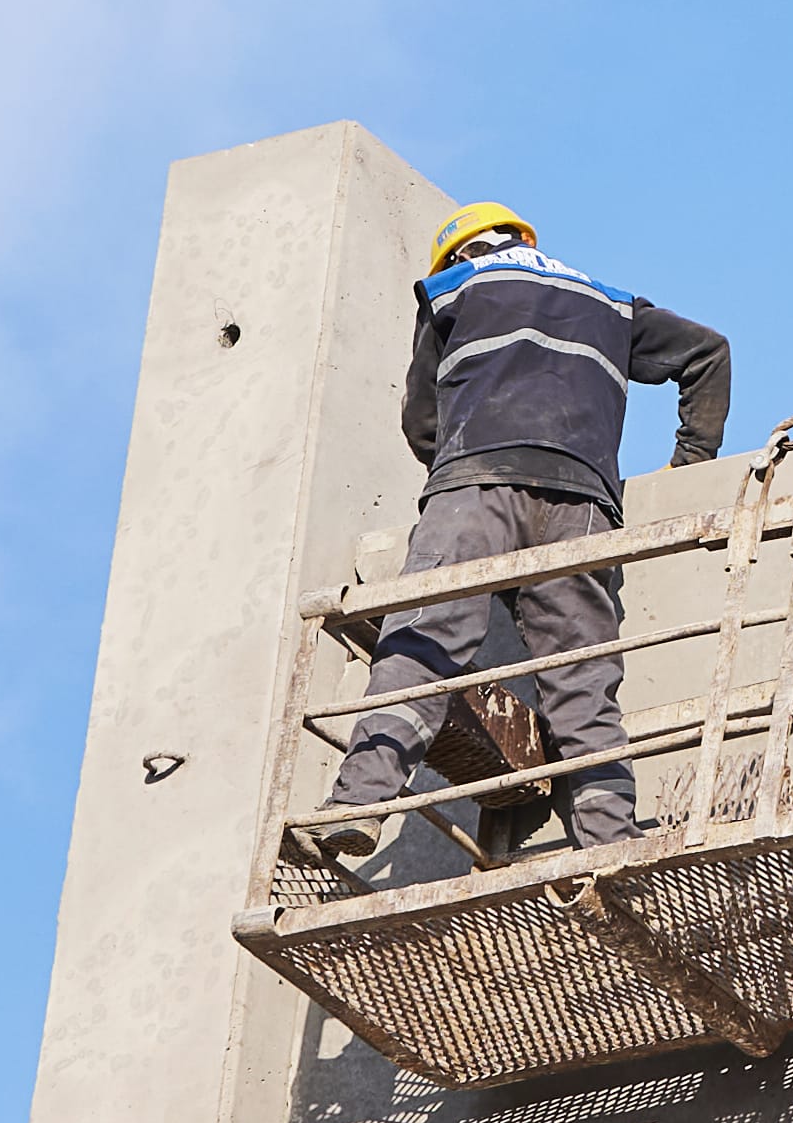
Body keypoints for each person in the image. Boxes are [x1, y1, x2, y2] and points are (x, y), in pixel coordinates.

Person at [284, 206, 734, 896]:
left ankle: (361, 804)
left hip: (475, 487)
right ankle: (610, 855)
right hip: (584, 504)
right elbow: (707, 352)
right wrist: (690, 462)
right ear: (525, 242)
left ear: (454, 255)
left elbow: (421, 419)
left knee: (421, 644)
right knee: (583, 682)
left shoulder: (452, 291)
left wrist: (458, 477)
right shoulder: (608, 301)